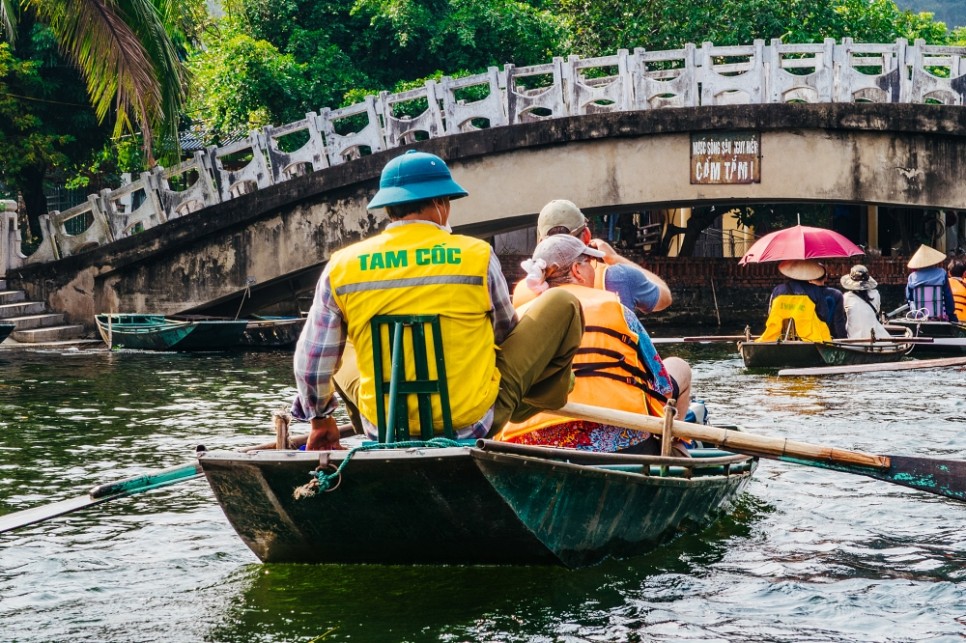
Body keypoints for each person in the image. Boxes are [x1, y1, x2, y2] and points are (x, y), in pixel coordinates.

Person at [292, 150, 583, 450]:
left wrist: (321, 420)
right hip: (470, 423)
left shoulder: (341, 266)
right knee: (562, 302)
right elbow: (505, 333)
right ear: (439, 204)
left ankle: (370, 431)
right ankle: (536, 399)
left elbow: (310, 364)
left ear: (388, 207)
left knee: (336, 344)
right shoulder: (476, 255)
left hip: (384, 426)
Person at [496, 235, 692, 455]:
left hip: (525, 443)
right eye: (589, 264)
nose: (594, 270)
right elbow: (661, 386)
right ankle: (677, 450)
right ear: (577, 270)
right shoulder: (616, 310)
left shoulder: (518, 318)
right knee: (679, 366)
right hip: (621, 444)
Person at [512, 199, 672, 315]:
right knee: (676, 363)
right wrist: (615, 259)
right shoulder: (620, 277)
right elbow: (665, 298)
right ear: (587, 235)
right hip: (607, 360)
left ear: (540, 243)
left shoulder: (525, 289)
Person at [758, 259, 837, 342]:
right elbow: (823, 315)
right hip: (810, 338)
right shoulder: (815, 290)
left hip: (777, 337)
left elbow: (770, 313)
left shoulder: (777, 290)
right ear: (809, 273)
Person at [906, 244, 958, 322]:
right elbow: (948, 297)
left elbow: (909, 299)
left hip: (919, 316)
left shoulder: (912, 277)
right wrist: (950, 313)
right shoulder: (941, 273)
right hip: (939, 316)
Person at [839, 265, 892, 339]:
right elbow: (877, 310)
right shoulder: (875, 294)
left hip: (853, 339)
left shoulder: (846, 297)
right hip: (875, 337)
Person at [808, 263, 847, 339]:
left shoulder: (804, 294)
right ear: (826, 277)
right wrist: (843, 340)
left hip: (809, 338)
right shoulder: (836, 294)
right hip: (831, 339)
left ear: (809, 279)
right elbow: (839, 322)